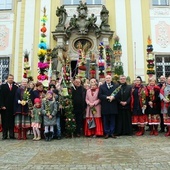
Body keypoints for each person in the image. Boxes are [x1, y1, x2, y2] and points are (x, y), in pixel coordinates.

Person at [98, 75, 119, 139]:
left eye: (109, 78)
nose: (108, 79)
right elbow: (100, 95)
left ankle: (112, 132)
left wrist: (114, 97)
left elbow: (118, 94)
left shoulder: (116, 86)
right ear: (105, 79)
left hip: (113, 105)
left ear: (111, 79)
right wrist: (106, 97)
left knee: (113, 120)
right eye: (107, 78)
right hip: (105, 106)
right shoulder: (102, 87)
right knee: (105, 120)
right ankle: (107, 133)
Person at [0, 74, 18, 139]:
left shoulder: (16, 87)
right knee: (4, 121)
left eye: (12, 78)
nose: (11, 79)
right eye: (10, 78)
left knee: (11, 121)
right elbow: (1, 96)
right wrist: (2, 105)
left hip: (12, 107)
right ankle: (4, 135)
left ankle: (11, 135)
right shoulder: (3, 86)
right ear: (7, 79)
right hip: (4, 107)